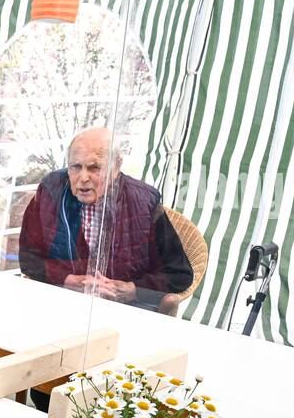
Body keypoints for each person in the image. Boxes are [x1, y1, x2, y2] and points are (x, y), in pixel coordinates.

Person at [18, 127, 192, 311]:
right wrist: (67, 280)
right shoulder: (50, 191)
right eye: (76, 167)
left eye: (95, 168)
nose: (83, 178)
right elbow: (28, 259)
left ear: (116, 166)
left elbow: (179, 274)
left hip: (124, 311)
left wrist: (133, 290)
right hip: (61, 303)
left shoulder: (144, 202)